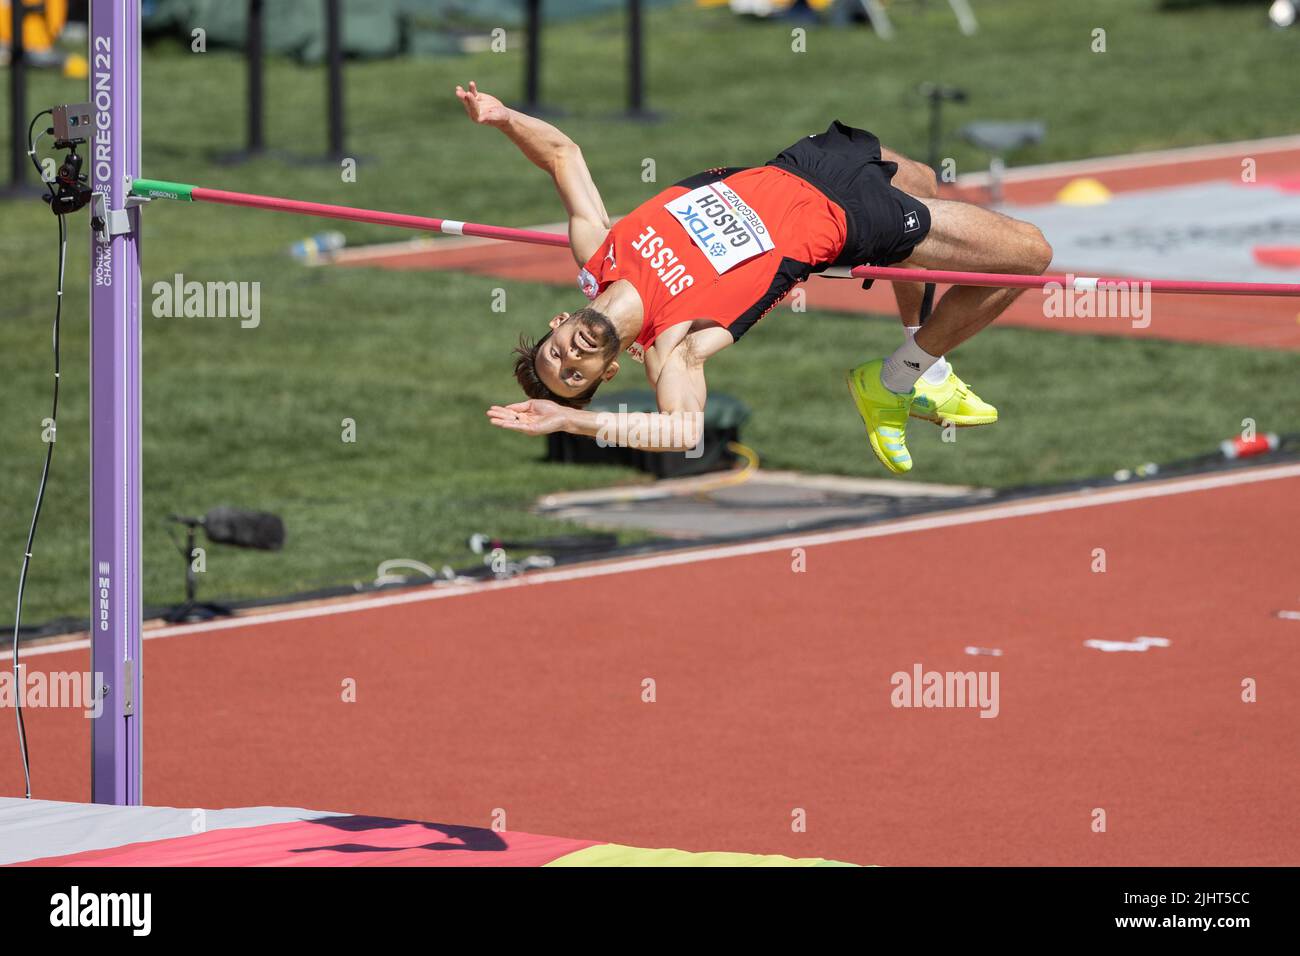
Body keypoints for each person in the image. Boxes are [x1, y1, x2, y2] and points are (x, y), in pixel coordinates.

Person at [457, 81, 1052, 474]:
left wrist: (504, 117)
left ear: (558, 324)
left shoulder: (600, 252)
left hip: (802, 163)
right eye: (574, 376)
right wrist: (569, 420)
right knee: (1028, 256)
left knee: (919, 176)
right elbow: (681, 431)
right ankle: (899, 377)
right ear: (607, 372)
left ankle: (922, 363)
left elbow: (562, 154)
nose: (569, 359)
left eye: (554, 355)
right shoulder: (675, 345)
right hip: (848, 220)